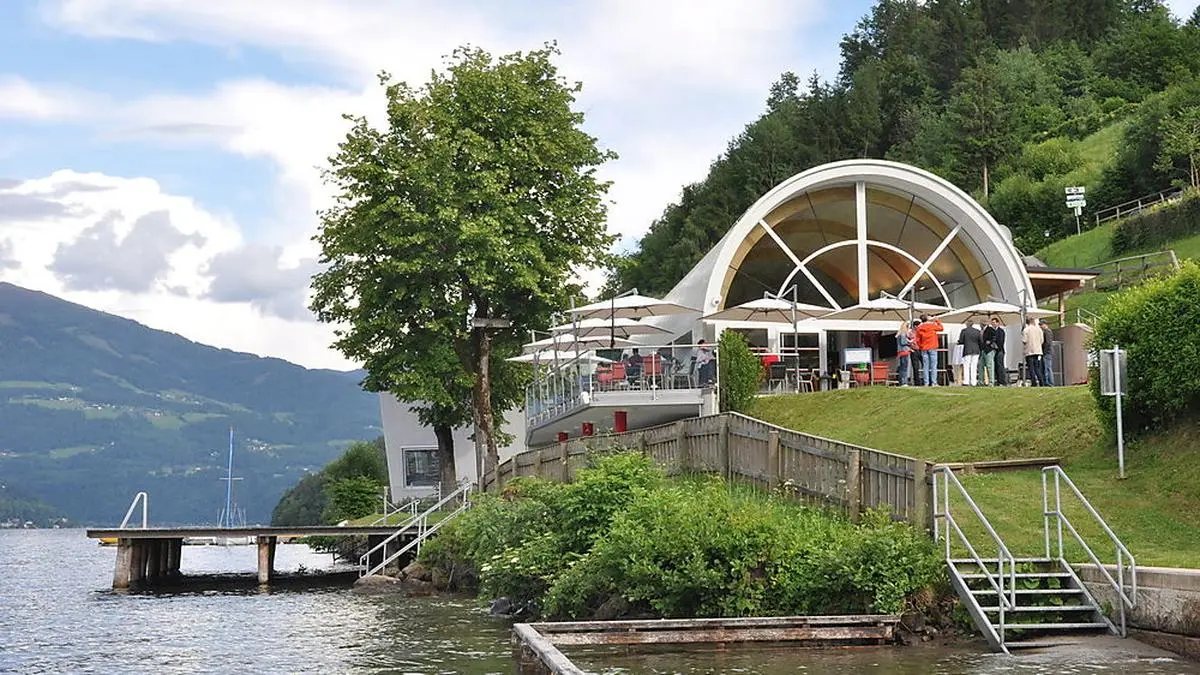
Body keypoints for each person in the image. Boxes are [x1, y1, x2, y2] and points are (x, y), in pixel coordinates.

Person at [914, 314, 944, 386]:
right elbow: (941, 328)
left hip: (924, 348)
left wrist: (920, 346)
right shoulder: (931, 326)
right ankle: (934, 382)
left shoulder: (919, 328)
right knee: (933, 366)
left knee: (925, 366)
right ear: (927, 319)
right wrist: (937, 320)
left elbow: (917, 339)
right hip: (932, 347)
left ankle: (926, 383)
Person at [958, 320, 983, 386]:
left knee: (966, 366)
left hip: (967, 350)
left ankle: (966, 381)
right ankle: (973, 382)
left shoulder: (964, 331)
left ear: (967, 324)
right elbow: (981, 341)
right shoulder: (977, 331)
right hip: (976, 350)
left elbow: (961, 341)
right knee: (974, 366)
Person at [1022, 317, 1045, 386]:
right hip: (1038, 351)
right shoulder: (1039, 330)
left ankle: (1034, 382)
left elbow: (1024, 340)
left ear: (1027, 323)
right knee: (1037, 368)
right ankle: (1041, 382)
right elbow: (1042, 340)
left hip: (1029, 351)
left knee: (1031, 368)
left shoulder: (1026, 330)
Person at [979, 318, 998, 386]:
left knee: (990, 366)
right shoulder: (981, 331)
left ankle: (991, 382)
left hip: (989, 350)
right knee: (980, 366)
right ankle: (980, 381)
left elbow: (995, 337)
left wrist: (990, 342)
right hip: (983, 350)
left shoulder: (990, 329)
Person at [895, 321, 913, 387]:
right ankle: (904, 382)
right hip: (904, 352)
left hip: (901, 352)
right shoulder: (903, 334)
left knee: (902, 367)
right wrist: (909, 342)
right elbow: (903, 342)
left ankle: (901, 382)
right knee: (904, 368)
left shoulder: (899, 334)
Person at [991, 317, 1008, 386]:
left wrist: (995, 345)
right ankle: (998, 380)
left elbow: (1001, 341)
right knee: (996, 366)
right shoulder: (992, 331)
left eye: (994, 323)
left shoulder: (1001, 331)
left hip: (1000, 351)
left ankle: (1002, 381)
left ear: (998, 323)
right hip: (994, 351)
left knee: (1000, 366)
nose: (993, 324)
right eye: (992, 323)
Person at [1040, 319, 1055, 386]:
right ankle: (1049, 382)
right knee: (1047, 368)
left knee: (1048, 368)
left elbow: (1048, 343)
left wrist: (1044, 351)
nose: (1040, 326)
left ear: (1045, 324)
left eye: (1041, 324)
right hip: (1048, 352)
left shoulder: (1047, 332)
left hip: (1047, 352)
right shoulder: (1048, 331)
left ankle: (1049, 382)